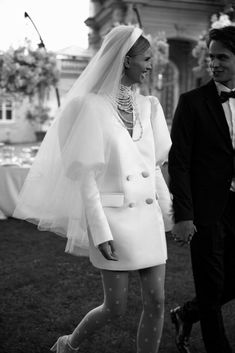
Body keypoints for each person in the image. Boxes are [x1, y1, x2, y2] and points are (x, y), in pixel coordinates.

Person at [13, 25, 173, 353]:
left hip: (148, 218)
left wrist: (173, 213)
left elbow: (154, 167)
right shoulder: (90, 107)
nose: (149, 66)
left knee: (157, 301)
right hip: (112, 222)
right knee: (115, 307)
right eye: (145, 59)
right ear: (124, 60)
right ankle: (67, 345)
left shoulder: (151, 107)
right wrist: (99, 231)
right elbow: (85, 178)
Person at [168, 25, 235, 353]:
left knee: (229, 283)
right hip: (207, 212)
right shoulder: (191, 102)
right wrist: (184, 214)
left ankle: (185, 313)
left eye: (222, 57)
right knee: (211, 290)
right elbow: (179, 162)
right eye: (211, 57)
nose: (214, 63)